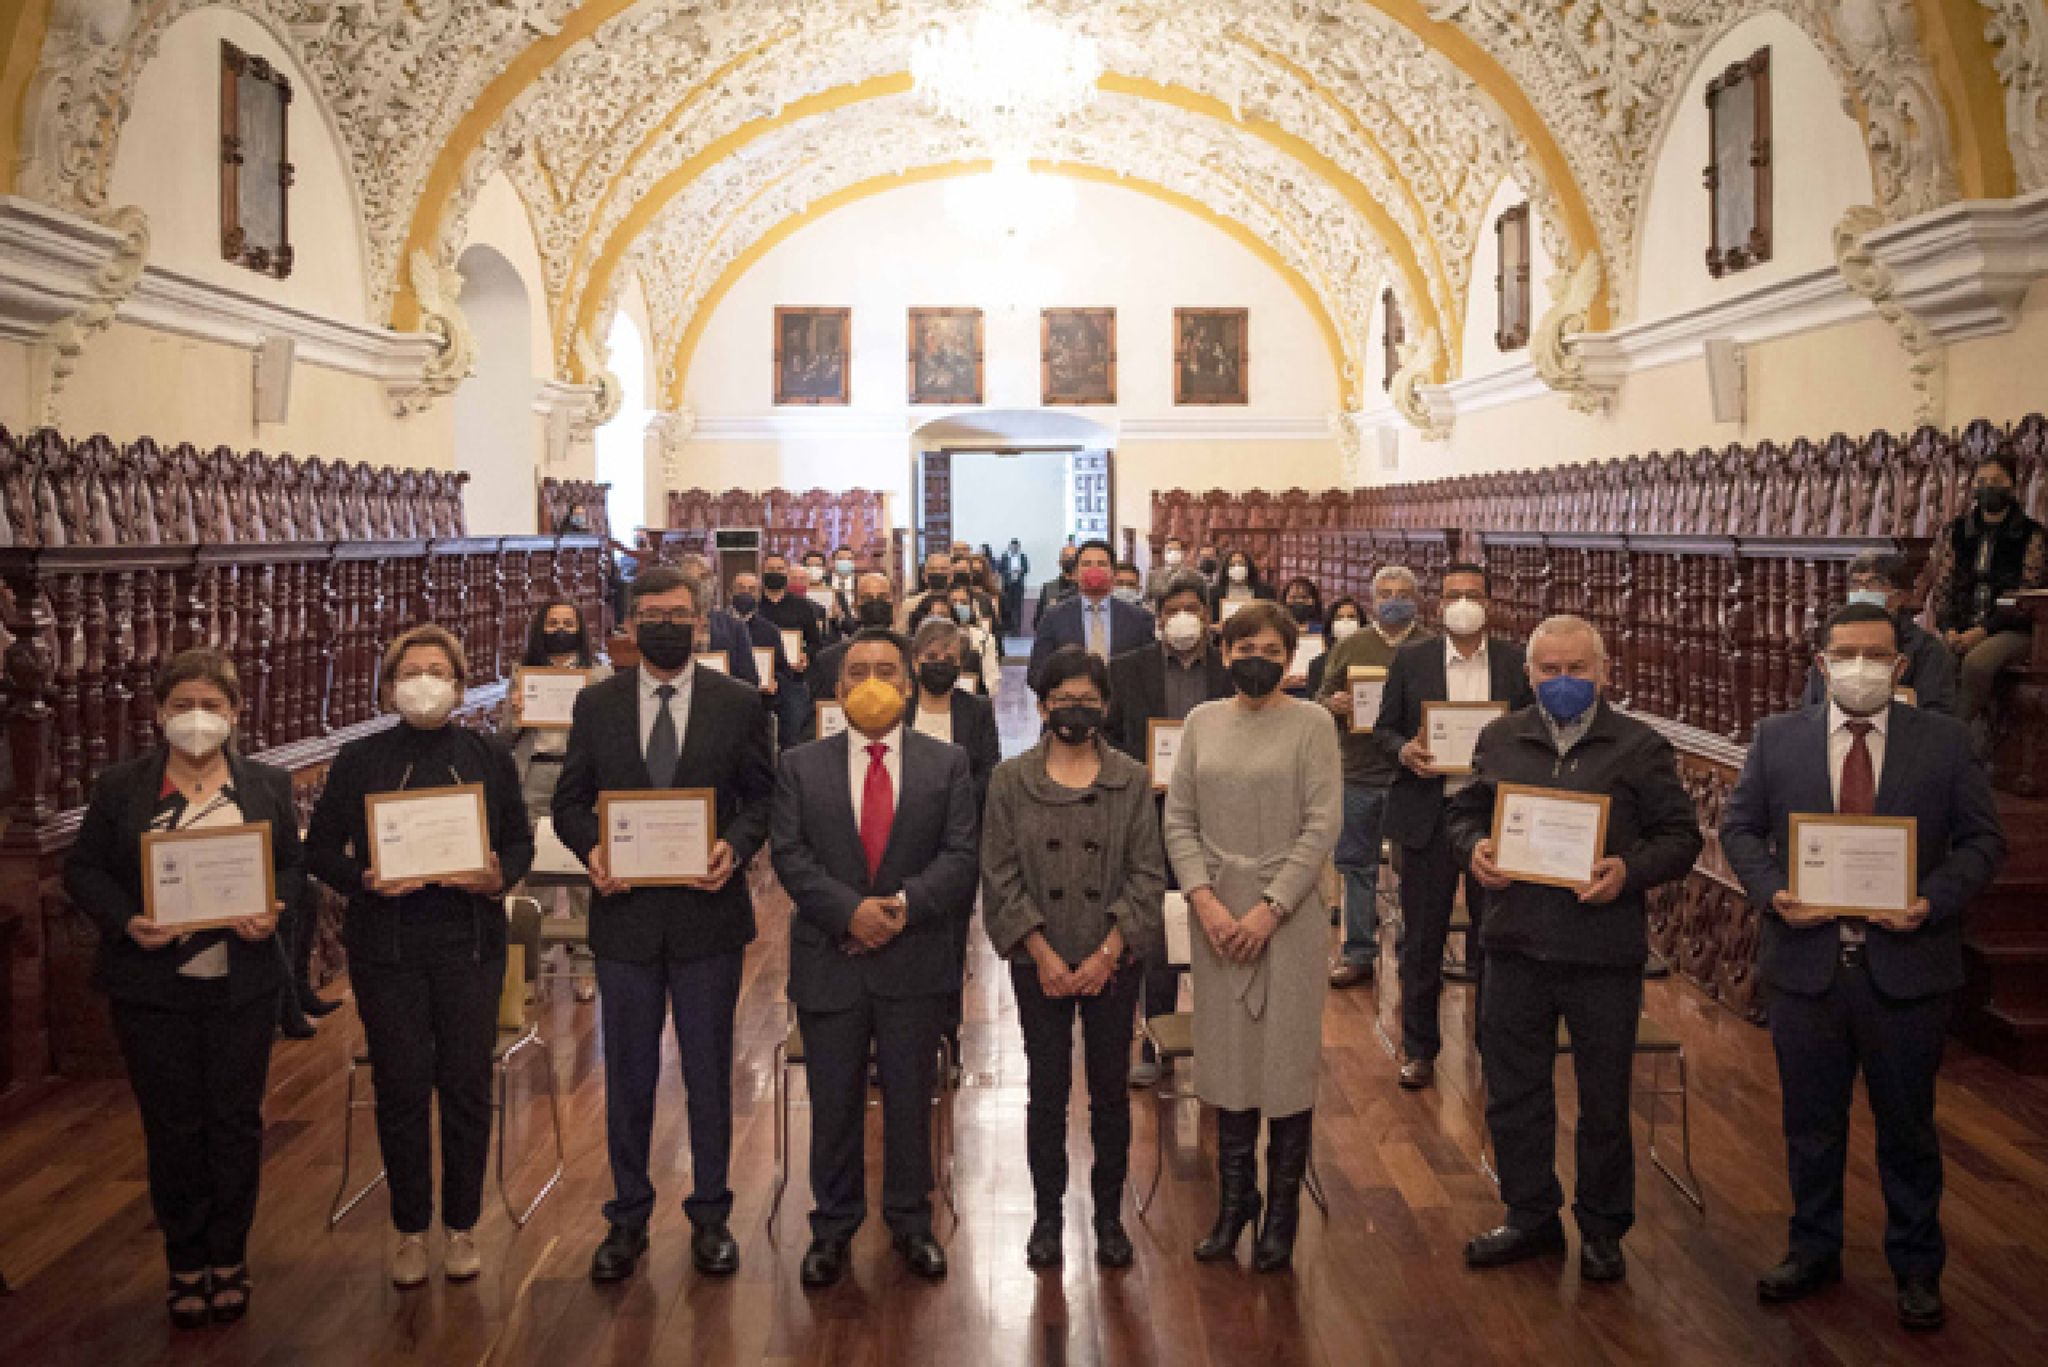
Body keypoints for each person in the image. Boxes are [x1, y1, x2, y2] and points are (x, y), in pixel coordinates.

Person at [1722, 603, 2006, 1332]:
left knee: (1908, 1127)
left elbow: (1982, 841)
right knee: (1810, 1125)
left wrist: (1928, 900)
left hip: (1908, 968)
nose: (1860, 666)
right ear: (1821, 664)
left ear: (1900, 665)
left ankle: (1916, 1265)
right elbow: (1739, 827)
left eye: (1876, 654)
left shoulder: (1942, 742)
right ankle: (1812, 1248)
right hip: (1806, 966)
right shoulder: (1776, 739)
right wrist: (1772, 890)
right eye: (1845, 653)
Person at [1446, 616, 1703, 1284]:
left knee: (1604, 1099)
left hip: (1601, 951)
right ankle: (1529, 1213)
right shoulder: (1501, 736)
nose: (1563, 681)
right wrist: (1473, 846)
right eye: (1549, 669)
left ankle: (1602, 1227)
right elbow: (1465, 812)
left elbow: (1681, 838)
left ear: (1604, 670)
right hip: (1514, 943)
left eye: (1577, 669)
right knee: (1513, 1091)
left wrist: (1627, 869)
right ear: (1528, 673)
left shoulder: (1640, 746)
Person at [64, 648, 303, 1328]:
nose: (196, 718)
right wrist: (125, 920)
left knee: (234, 1122)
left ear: (235, 712)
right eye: (182, 705)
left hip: (242, 983)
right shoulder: (121, 789)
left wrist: (274, 908)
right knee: (172, 1127)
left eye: (211, 705)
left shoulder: (265, 786)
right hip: (152, 987)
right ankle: (184, 1260)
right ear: (159, 712)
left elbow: (290, 867)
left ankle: (229, 1255)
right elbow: (85, 871)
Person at [552, 565, 776, 1284]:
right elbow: (569, 801)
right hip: (624, 917)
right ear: (629, 624)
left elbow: (761, 799)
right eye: (650, 613)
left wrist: (733, 847)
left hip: (708, 913)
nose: (665, 623)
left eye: (677, 612)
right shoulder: (597, 705)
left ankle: (710, 1213)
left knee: (711, 1071)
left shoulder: (739, 702)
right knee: (629, 1072)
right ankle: (627, 1216)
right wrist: (592, 850)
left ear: (701, 621)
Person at [306, 625, 533, 1288]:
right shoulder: (359, 759)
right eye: (410, 671)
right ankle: (409, 1226)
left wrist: (497, 877)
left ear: (460, 685)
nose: (424, 682)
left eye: (438, 670)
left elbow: (517, 841)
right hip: (388, 949)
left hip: (470, 944)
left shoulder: (487, 753)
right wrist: (365, 880)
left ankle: (461, 1224)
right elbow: (318, 850)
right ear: (387, 686)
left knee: (466, 1083)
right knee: (401, 1086)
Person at [771, 630, 981, 1289]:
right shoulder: (801, 764)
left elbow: (959, 857)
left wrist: (896, 908)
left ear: (909, 683)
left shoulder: (946, 762)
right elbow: (790, 855)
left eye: (886, 670)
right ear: (838, 689)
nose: (872, 681)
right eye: (858, 670)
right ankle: (832, 1226)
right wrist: (850, 911)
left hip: (913, 957)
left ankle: (910, 1221)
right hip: (830, 957)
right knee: (832, 1101)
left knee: (912, 1099)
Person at [1163, 601, 1342, 1272]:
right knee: (1228, 1056)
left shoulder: (1314, 723)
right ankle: (1235, 1202)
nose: (1253, 658)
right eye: (1241, 648)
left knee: (1286, 1059)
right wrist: (1204, 899)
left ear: (1289, 655)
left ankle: (1283, 1214)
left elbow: (1322, 825)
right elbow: (1178, 817)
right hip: (1215, 914)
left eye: (1268, 646)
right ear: (1225, 654)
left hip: (1287, 917)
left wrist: (1270, 908)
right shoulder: (1202, 721)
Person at [982, 646, 1166, 1270]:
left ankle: (1109, 1219)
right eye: (1062, 698)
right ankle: (1047, 1218)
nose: (1075, 709)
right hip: (1042, 962)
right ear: (1040, 705)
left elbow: (1147, 874)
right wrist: (1040, 951)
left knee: (1111, 1094)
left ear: (1106, 707)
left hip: (1112, 960)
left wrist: (1110, 952)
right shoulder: (1011, 780)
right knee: (1047, 1091)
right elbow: (1000, 877)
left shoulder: (1133, 778)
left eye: (1088, 698)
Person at [1373, 563, 1532, 1090]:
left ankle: (1494, 1048)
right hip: (1429, 815)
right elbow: (1384, 730)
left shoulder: (1514, 663)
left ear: (1490, 603)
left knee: (1497, 937)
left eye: (1473, 594)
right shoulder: (1412, 659)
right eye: (1453, 595)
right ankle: (1420, 1048)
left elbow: (1532, 732)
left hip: (1494, 821)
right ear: (1438, 605)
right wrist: (1406, 751)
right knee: (1423, 938)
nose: (1463, 603)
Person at [1104, 572, 1235, 1089]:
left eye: (1193, 609)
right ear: (1158, 617)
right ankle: (1153, 1041)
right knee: (1156, 930)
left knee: (1215, 926)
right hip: (1151, 817)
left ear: (1208, 615)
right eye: (1173, 609)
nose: (1184, 618)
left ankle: (1219, 1041)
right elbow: (1109, 741)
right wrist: (1145, 775)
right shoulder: (1127, 670)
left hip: (1220, 819)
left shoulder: (1229, 672)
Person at [1318, 568, 1428, 988]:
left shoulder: (1429, 646)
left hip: (1413, 774)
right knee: (1356, 864)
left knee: (1412, 869)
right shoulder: (1351, 646)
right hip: (1359, 771)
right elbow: (1321, 696)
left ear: (1416, 599)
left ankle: (1410, 951)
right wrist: (1335, 702)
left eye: (1403, 593)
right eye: (1386, 593)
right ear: (1373, 599)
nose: (1394, 599)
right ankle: (1359, 951)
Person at [502, 598, 612, 1002]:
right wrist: (516, 713)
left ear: (580, 628)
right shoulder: (523, 673)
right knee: (535, 869)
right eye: (553, 622)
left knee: (587, 866)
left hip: (582, 775)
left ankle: (586, 964)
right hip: (535, 772)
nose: (560, 628)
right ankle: (537, 962)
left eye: (568, 622)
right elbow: (506, 733)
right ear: (541, 628)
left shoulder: (598, 673)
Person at [910, 617, 1003, 1072]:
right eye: (932, 657)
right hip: (899, 840)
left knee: (950, 941)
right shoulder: (898, 706)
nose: (940, 664)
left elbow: (990, 769)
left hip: (956, 839)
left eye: (949, 657)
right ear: (915, 661)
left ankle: (948, 1036)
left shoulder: (976, 709)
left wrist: (954, 799)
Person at [1927, 453, 2045, 727]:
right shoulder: (1956, 531)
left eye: (1997, 481)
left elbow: (2027, 596)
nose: (1988, 487)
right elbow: (1944, 586)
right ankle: (1935, 726)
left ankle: (1956, 731)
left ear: (2012, 486)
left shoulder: (2031, 534)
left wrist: (1981, 632)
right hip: (1961, 625)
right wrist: (1949, 629)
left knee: (1977, 663)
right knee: (1937, 655)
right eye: (1982, 481)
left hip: (2013, 629)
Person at [1799, 551, 1957, 716]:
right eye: (1855, 584)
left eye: (1873, 584)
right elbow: (1811, 709)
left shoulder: (1926, 649)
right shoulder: (1834, 643)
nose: (1862, 591)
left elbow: (1937, 715)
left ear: (1902, 595)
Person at [1030, 539, 1158, 685]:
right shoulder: (1054, 617)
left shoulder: (1139, 619)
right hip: (1073, 703)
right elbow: (1036, 671)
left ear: (1114, 573)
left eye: (1102, 564)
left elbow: (1151, 671)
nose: (1094, 570)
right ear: (1076, 573)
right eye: (1087, 564)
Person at [723, 568, 799, 748]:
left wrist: (774, 682)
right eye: (741, 589)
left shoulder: (769, 630)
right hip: (723, 705)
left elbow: (784, 671)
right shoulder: (718, 626)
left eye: (751, 590)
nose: (746, 594)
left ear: (758, 595)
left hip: (759, 706)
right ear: (729, 593)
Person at [755, 552, 824, 744]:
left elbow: (816, 643)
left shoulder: (802, 607)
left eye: (779, 569)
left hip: (794, 681)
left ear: (786, 573)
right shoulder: (755, 607)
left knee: (793, 737)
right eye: (770, 569)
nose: (775, 573)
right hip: (759, 682)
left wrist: (805, 657)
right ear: (762, 572)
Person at [809, 571, 896, 703]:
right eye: (867, 599)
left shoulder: (912, 655)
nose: (875, 603)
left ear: (894, 604)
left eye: (882, 597)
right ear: (855, 606)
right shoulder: (828, 660)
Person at [1303, 595, 1363, 698]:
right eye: (1339, 618)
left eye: (1352, 617)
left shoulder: (1370, 657)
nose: (1346, 622)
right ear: (1330, 625)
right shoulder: (1317, 665)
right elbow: (1312, 702)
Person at [1278, 577, 1326, 696]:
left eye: (1305, 597)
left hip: (1314, 694)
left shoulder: (1324, 631)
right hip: (1282, 693)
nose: (1299, 601)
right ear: (1284, 600)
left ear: (1314, 600)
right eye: (1293, 597)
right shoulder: (1275, 629)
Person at [1207, 548, 1274, 621]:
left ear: (1248, 567)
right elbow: (1210, 619)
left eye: (1241, 564)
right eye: (1232, 565)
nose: (1237, 568)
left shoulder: (1266, 591)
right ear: (1226, 569)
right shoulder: (1214, 593)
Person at [1034, 545, 1080, 628]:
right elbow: (1038, 622)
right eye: (1066, 557)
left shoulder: (1085, 589)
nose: (1070, 560)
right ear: (1059, 562)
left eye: (1073, 557)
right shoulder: (1048, 588)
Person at [999, 538, 1031, 637]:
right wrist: (1009, 572)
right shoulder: (1005, 556)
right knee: (1007, 606)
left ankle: (1017, 629)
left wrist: (1020, 570)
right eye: (1012, 546)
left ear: (1019, 547)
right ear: (1010, 547)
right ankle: (1008, 628)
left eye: (1016, 547)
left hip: (1018, 584)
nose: (1014, 548)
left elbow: (1027, 569)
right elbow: (1000, 569)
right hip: (1008, 585)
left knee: (1018, 607)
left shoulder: (1023, 557)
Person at [1146, 536, 1189, 606]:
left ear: (1183, 553)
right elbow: (1147, 599)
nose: (1173, 553)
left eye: (1177, 550)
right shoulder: (1153, 575)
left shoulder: (1191, 576)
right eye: (1170, 550)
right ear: (1164, 553)